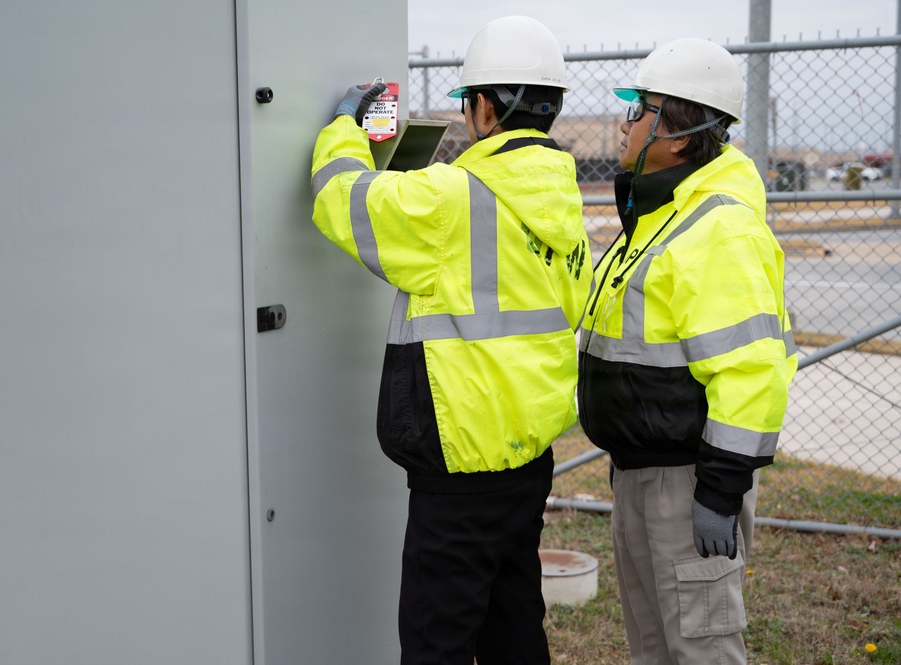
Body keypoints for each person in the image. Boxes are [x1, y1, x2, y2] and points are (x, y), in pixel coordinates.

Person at [311, 15, 592, 665]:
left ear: (485, 106)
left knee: (437, 639)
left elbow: (339, 197)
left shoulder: (450, 199)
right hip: (526, 455)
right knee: (513, 619)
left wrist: (345, 130)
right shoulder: (564, 202)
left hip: (460, 465)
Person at [576, 38, 798, 664]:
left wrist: (719, 492)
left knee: (700, 649)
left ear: (676, 131)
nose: (623, 126)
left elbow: (751, 371)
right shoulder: (662, 214)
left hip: (688, 482)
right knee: (654, 646)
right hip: (642, 472)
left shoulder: (718, 228)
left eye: (637, 110)